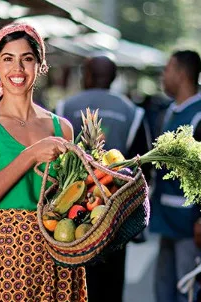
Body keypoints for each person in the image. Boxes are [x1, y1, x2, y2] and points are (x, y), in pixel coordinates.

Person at [0, 23, 87, 301]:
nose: (17, 69)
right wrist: (31, 153)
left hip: (59, 253)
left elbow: (74, 198)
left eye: (27, 59)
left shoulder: (62, 128)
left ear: (40, 66)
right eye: (8, 59)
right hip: (8, 255)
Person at [56, 55, 151, 302]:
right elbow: (143, 168)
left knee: (76, 281)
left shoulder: (64, 108)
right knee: (111, 281)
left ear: (86, 76)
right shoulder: (133, 112)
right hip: (116, 213)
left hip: (73, 214)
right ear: (113, 78)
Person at [150, 50, 201, 302]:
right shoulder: (170, 112)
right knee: (164, 288)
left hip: (191, 223)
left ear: (181, 74)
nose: (163, 75)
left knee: (189, 290)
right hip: (167, 217)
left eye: (167, 69)